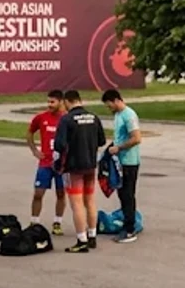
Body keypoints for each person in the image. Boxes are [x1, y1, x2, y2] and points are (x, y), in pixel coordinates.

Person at [52, 89, 107, 254]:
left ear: (67, 102)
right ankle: (92, 236)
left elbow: (59, 145)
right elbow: (102, 140)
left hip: (73, 166)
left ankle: (81, 240)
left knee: (76, 204)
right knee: (90, 201)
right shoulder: (94, 117)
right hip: (91, 165)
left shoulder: (66, 119)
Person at [102, 89, 142, 243]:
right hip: (120, 161)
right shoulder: (118, 115)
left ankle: (130, 229)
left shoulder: (129, 115)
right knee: (121, 194)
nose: (109, 108)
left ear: (116, 100)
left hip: (129, 162)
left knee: (127, 194)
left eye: (109, 105)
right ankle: (127, 222)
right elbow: (120, 137)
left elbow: (136, 138)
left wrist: (119, 148)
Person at [26, 89, 68, 235]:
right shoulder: (41, 118)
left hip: (62, 165)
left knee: (61, 194)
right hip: (45, 163)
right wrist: (34, 150)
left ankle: (57, 222)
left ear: (61, 102)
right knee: (38, 193)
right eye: (48, 101)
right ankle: (34, 222)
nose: (49, 105)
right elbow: (30, 132)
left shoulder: (67, 119)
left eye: (52, 102)